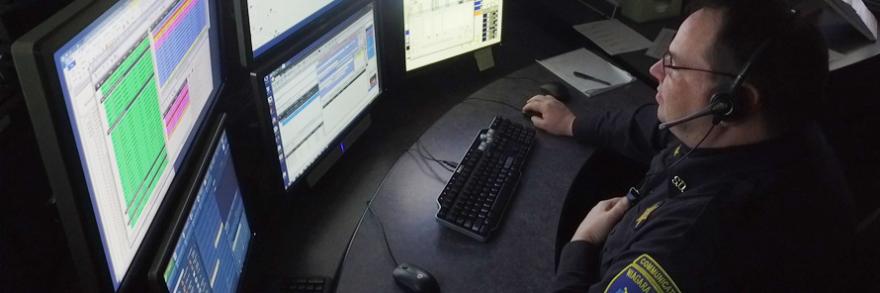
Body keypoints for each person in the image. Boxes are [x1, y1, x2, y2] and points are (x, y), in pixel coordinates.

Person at [522, 0, 857, 291]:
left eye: (674, 64)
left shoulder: (693, 243)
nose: (655, 70)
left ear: (733, 102)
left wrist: (582, 244)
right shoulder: (768, 129)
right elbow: (651, 126)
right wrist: (572, 124)